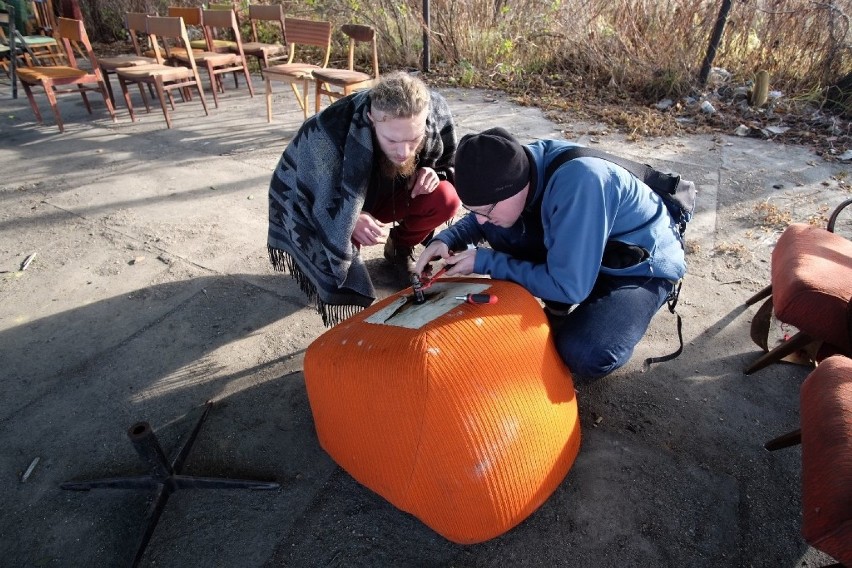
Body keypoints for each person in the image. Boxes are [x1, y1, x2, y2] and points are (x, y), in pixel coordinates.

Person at [413, 127, 687, 379]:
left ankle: (595, 306)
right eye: (474, 211)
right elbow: (481, 216)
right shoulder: (516, 167)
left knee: (583, 352)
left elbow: (570, 288)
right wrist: (448, 238)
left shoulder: (581, 183)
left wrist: (486, 261)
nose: (480, 219)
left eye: (486, 210)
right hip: (586, 243)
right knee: (499, 226)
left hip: (637, 266)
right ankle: (558, 305)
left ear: (514, 187)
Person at [267, 71, 460, 325]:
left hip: (396, 194)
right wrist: (349, 218)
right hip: (345, 201)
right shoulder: (327, 130)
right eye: (391, 140)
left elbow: (450, 163)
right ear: (371, 119)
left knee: (446, 197)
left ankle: (398, 249)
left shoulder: (434, 111)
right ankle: (343, 269)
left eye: (414, 140)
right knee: (343, 242)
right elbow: (305, 197)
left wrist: (434, 172)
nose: (404, 152)